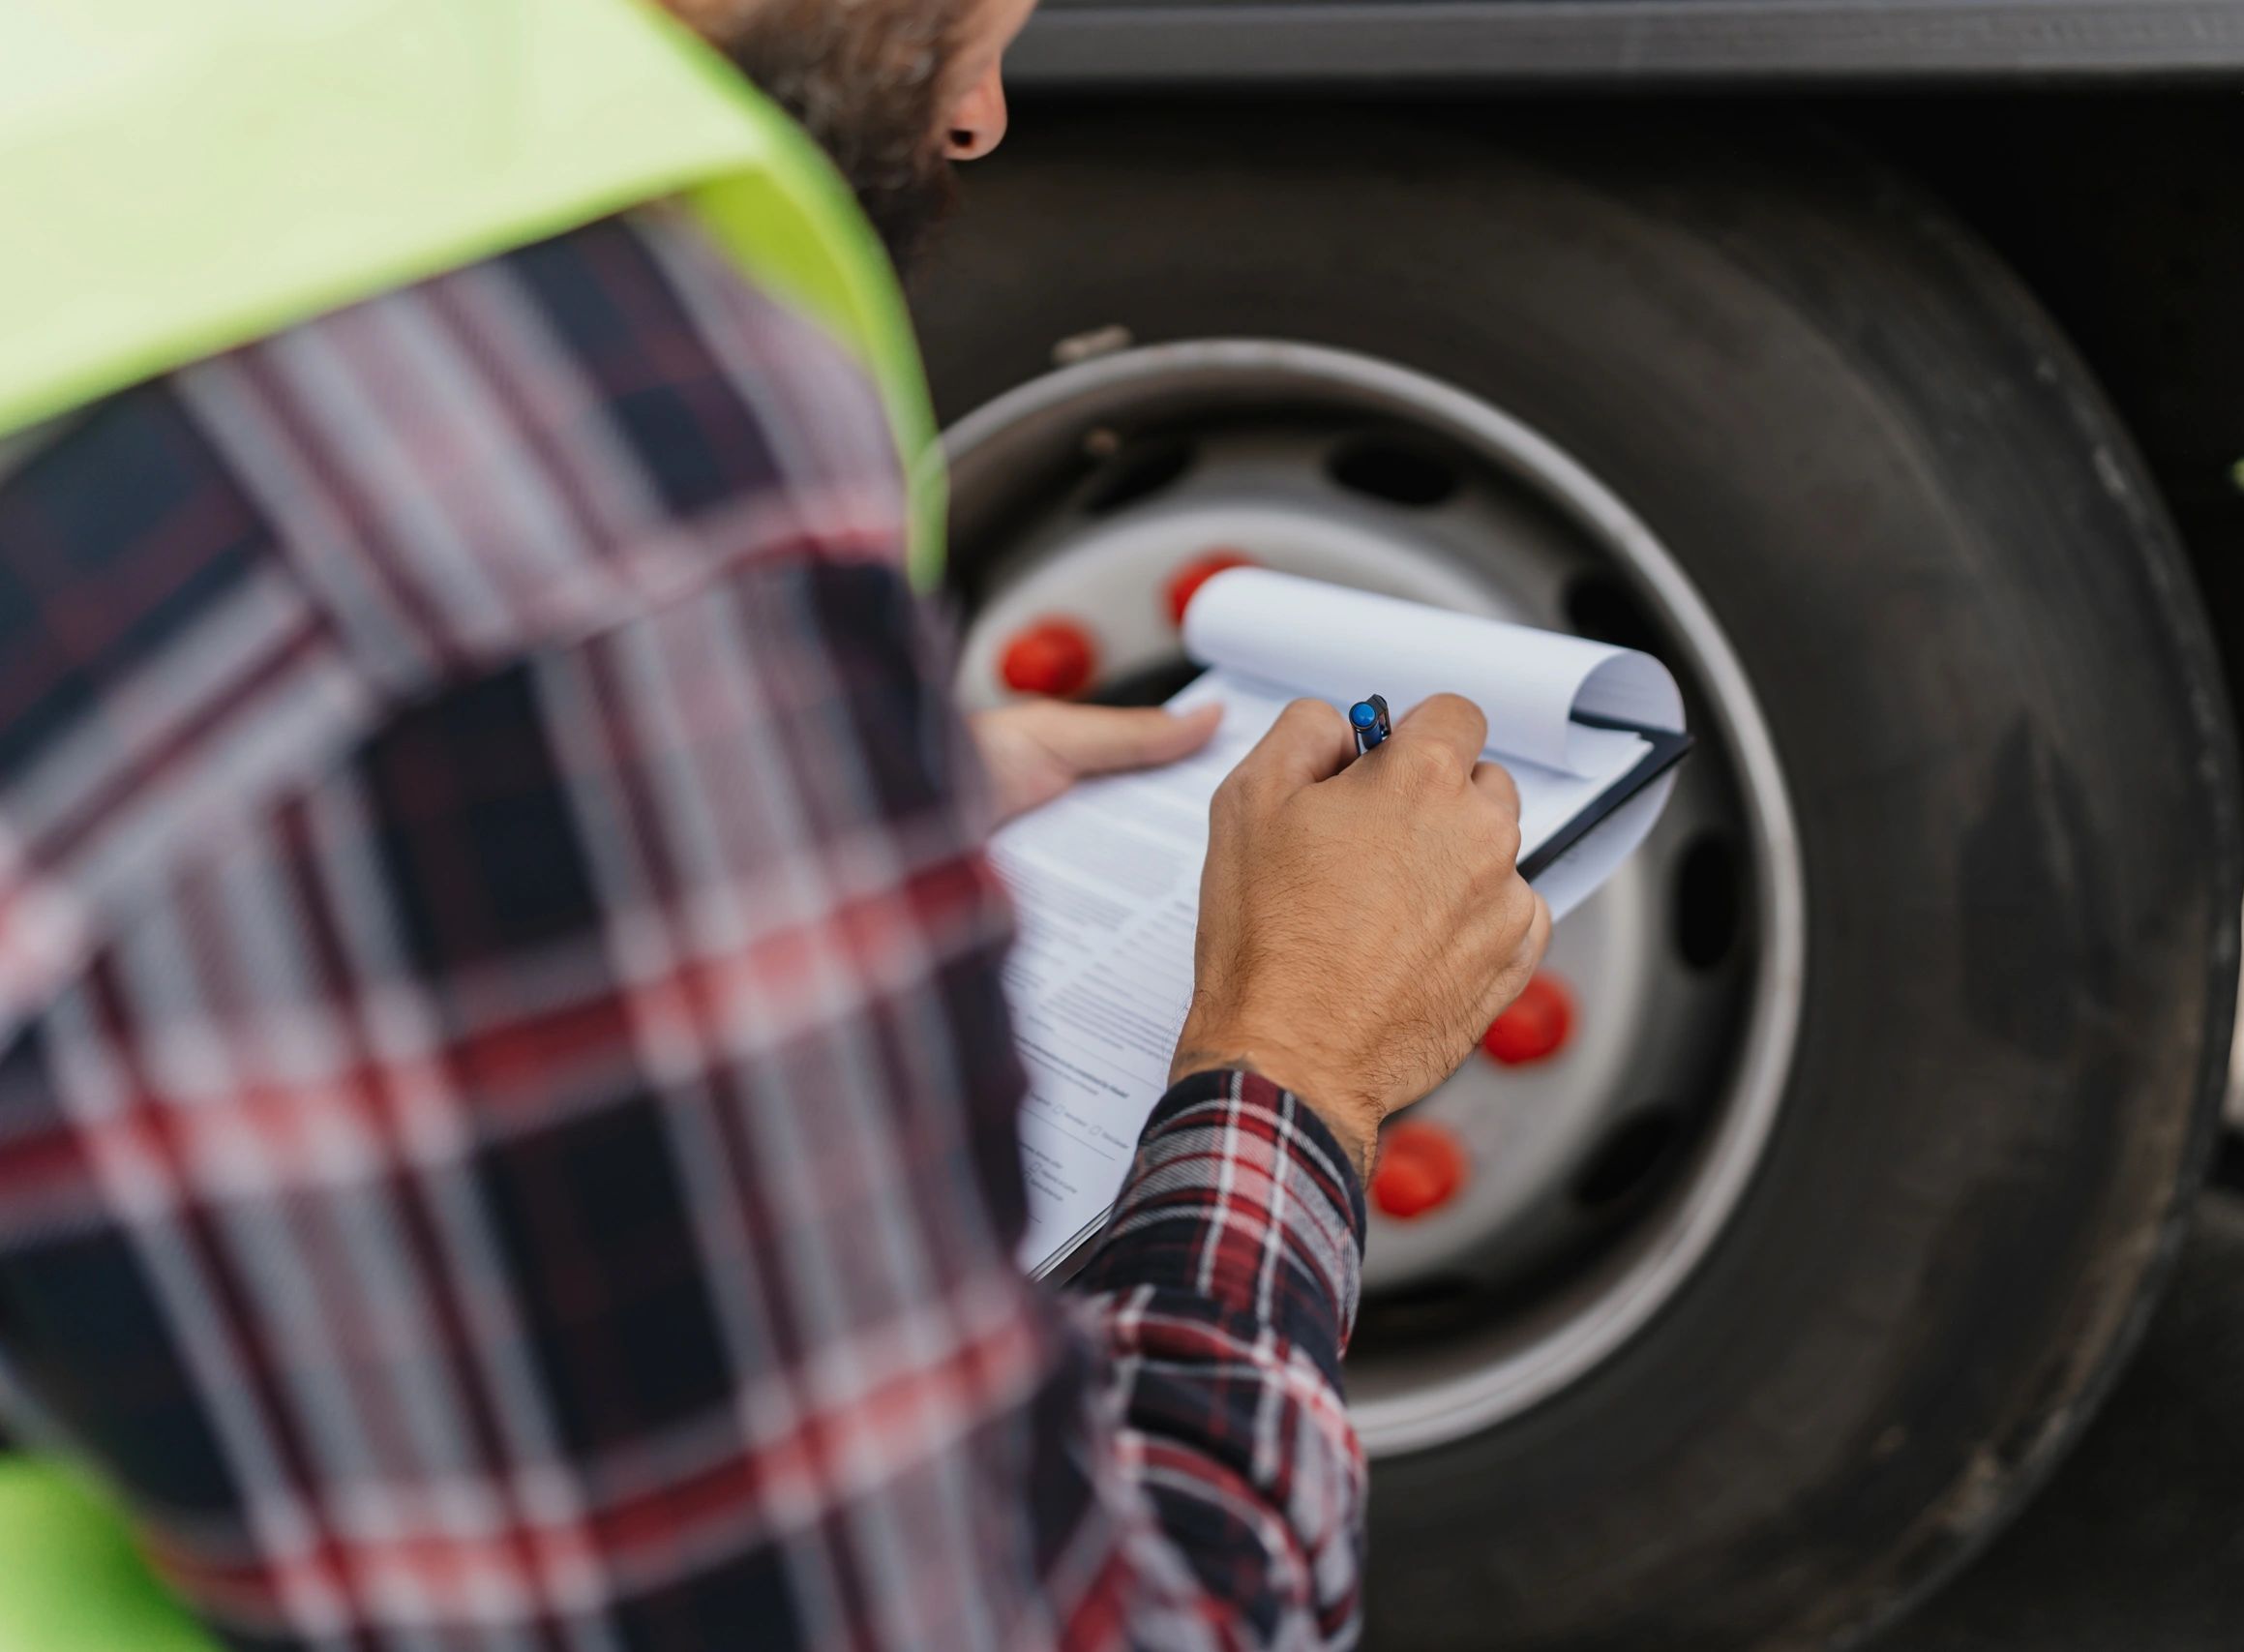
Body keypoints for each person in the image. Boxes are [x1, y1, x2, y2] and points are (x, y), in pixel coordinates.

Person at [0, 0, 1548, 1647]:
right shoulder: (565, 446)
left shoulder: (124, 120)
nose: (981, 112)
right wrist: (1297, 1062)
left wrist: (774, 790)